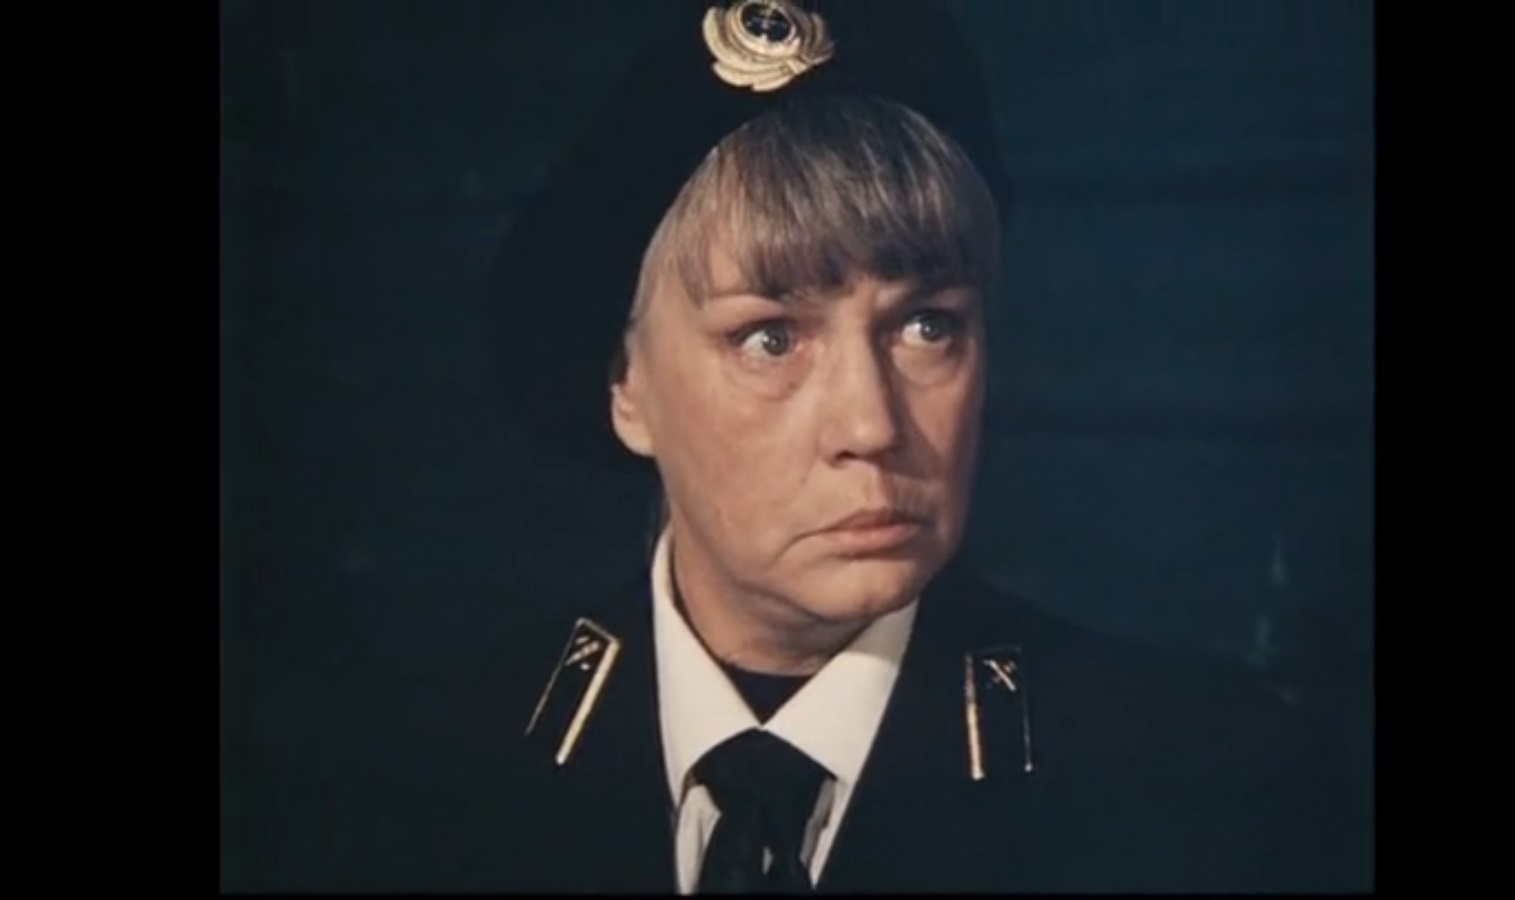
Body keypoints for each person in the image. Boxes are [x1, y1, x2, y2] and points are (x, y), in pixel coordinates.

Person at [407, 0, 1369, 892]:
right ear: (629, 386)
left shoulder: (1209, 789)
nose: (871, 425)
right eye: (770, 338)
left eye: (926, 326)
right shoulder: (410, 770)